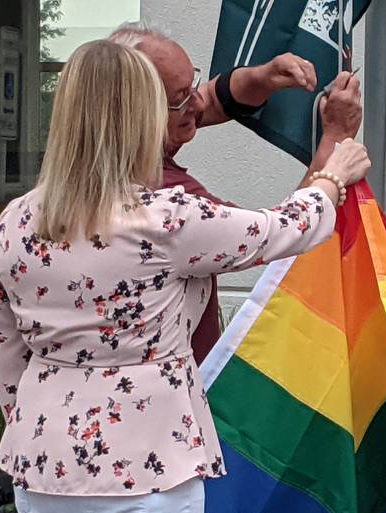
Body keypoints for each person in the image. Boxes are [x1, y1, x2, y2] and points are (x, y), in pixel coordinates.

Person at [0, 40, 370, 513]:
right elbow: (285, 228)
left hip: (44, 463)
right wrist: (332, 171)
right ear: (142, 117)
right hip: (146, 463)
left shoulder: (14, 222)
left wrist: (39, 426)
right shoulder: (164, 218)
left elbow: (7, 356)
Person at [108, 23, 363, 364]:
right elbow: (282, 232)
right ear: (141, 115)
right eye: (180, 99)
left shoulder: (33, 210)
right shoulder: (166, 202)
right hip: (176, 401)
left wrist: (263, 77)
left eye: (192, 84)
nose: (198, 101)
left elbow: (213, 99)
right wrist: (334, 142)